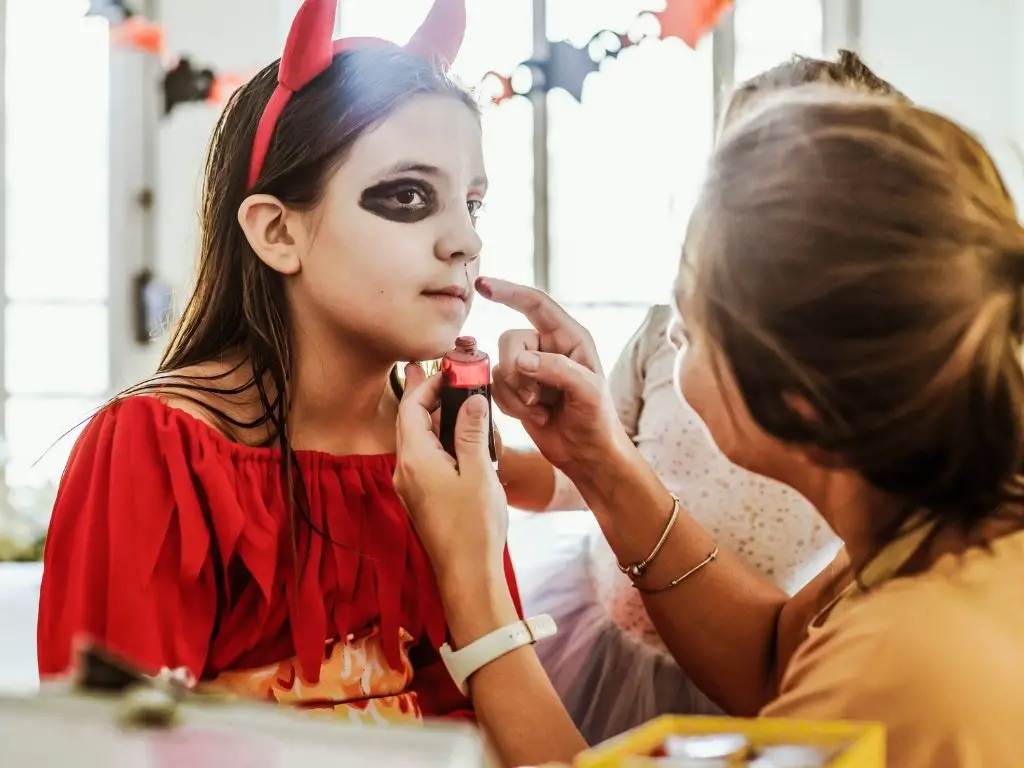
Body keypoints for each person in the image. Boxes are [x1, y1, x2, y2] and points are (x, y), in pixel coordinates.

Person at [394, 87, 1024, 768]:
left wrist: (473, 576)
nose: (671, 335)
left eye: (691, 323)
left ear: (797, 401)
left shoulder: (900, 669)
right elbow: (774, 659)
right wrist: (599, 460)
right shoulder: (940, 518)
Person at [36, 0, 524, 725]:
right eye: (410, 194)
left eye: (473, 204)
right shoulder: (160, 449)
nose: (465, 242)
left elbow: (503, 729)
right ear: (277, 231)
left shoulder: (441, 452)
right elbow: (116, 746)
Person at [498, 51, 903, 744]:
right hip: (603, 642)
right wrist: (491, 458)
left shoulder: (882, 416)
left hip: (734, 693)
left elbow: (781, 658)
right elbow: (581, 475)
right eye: (732, 173)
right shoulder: (663, 335)